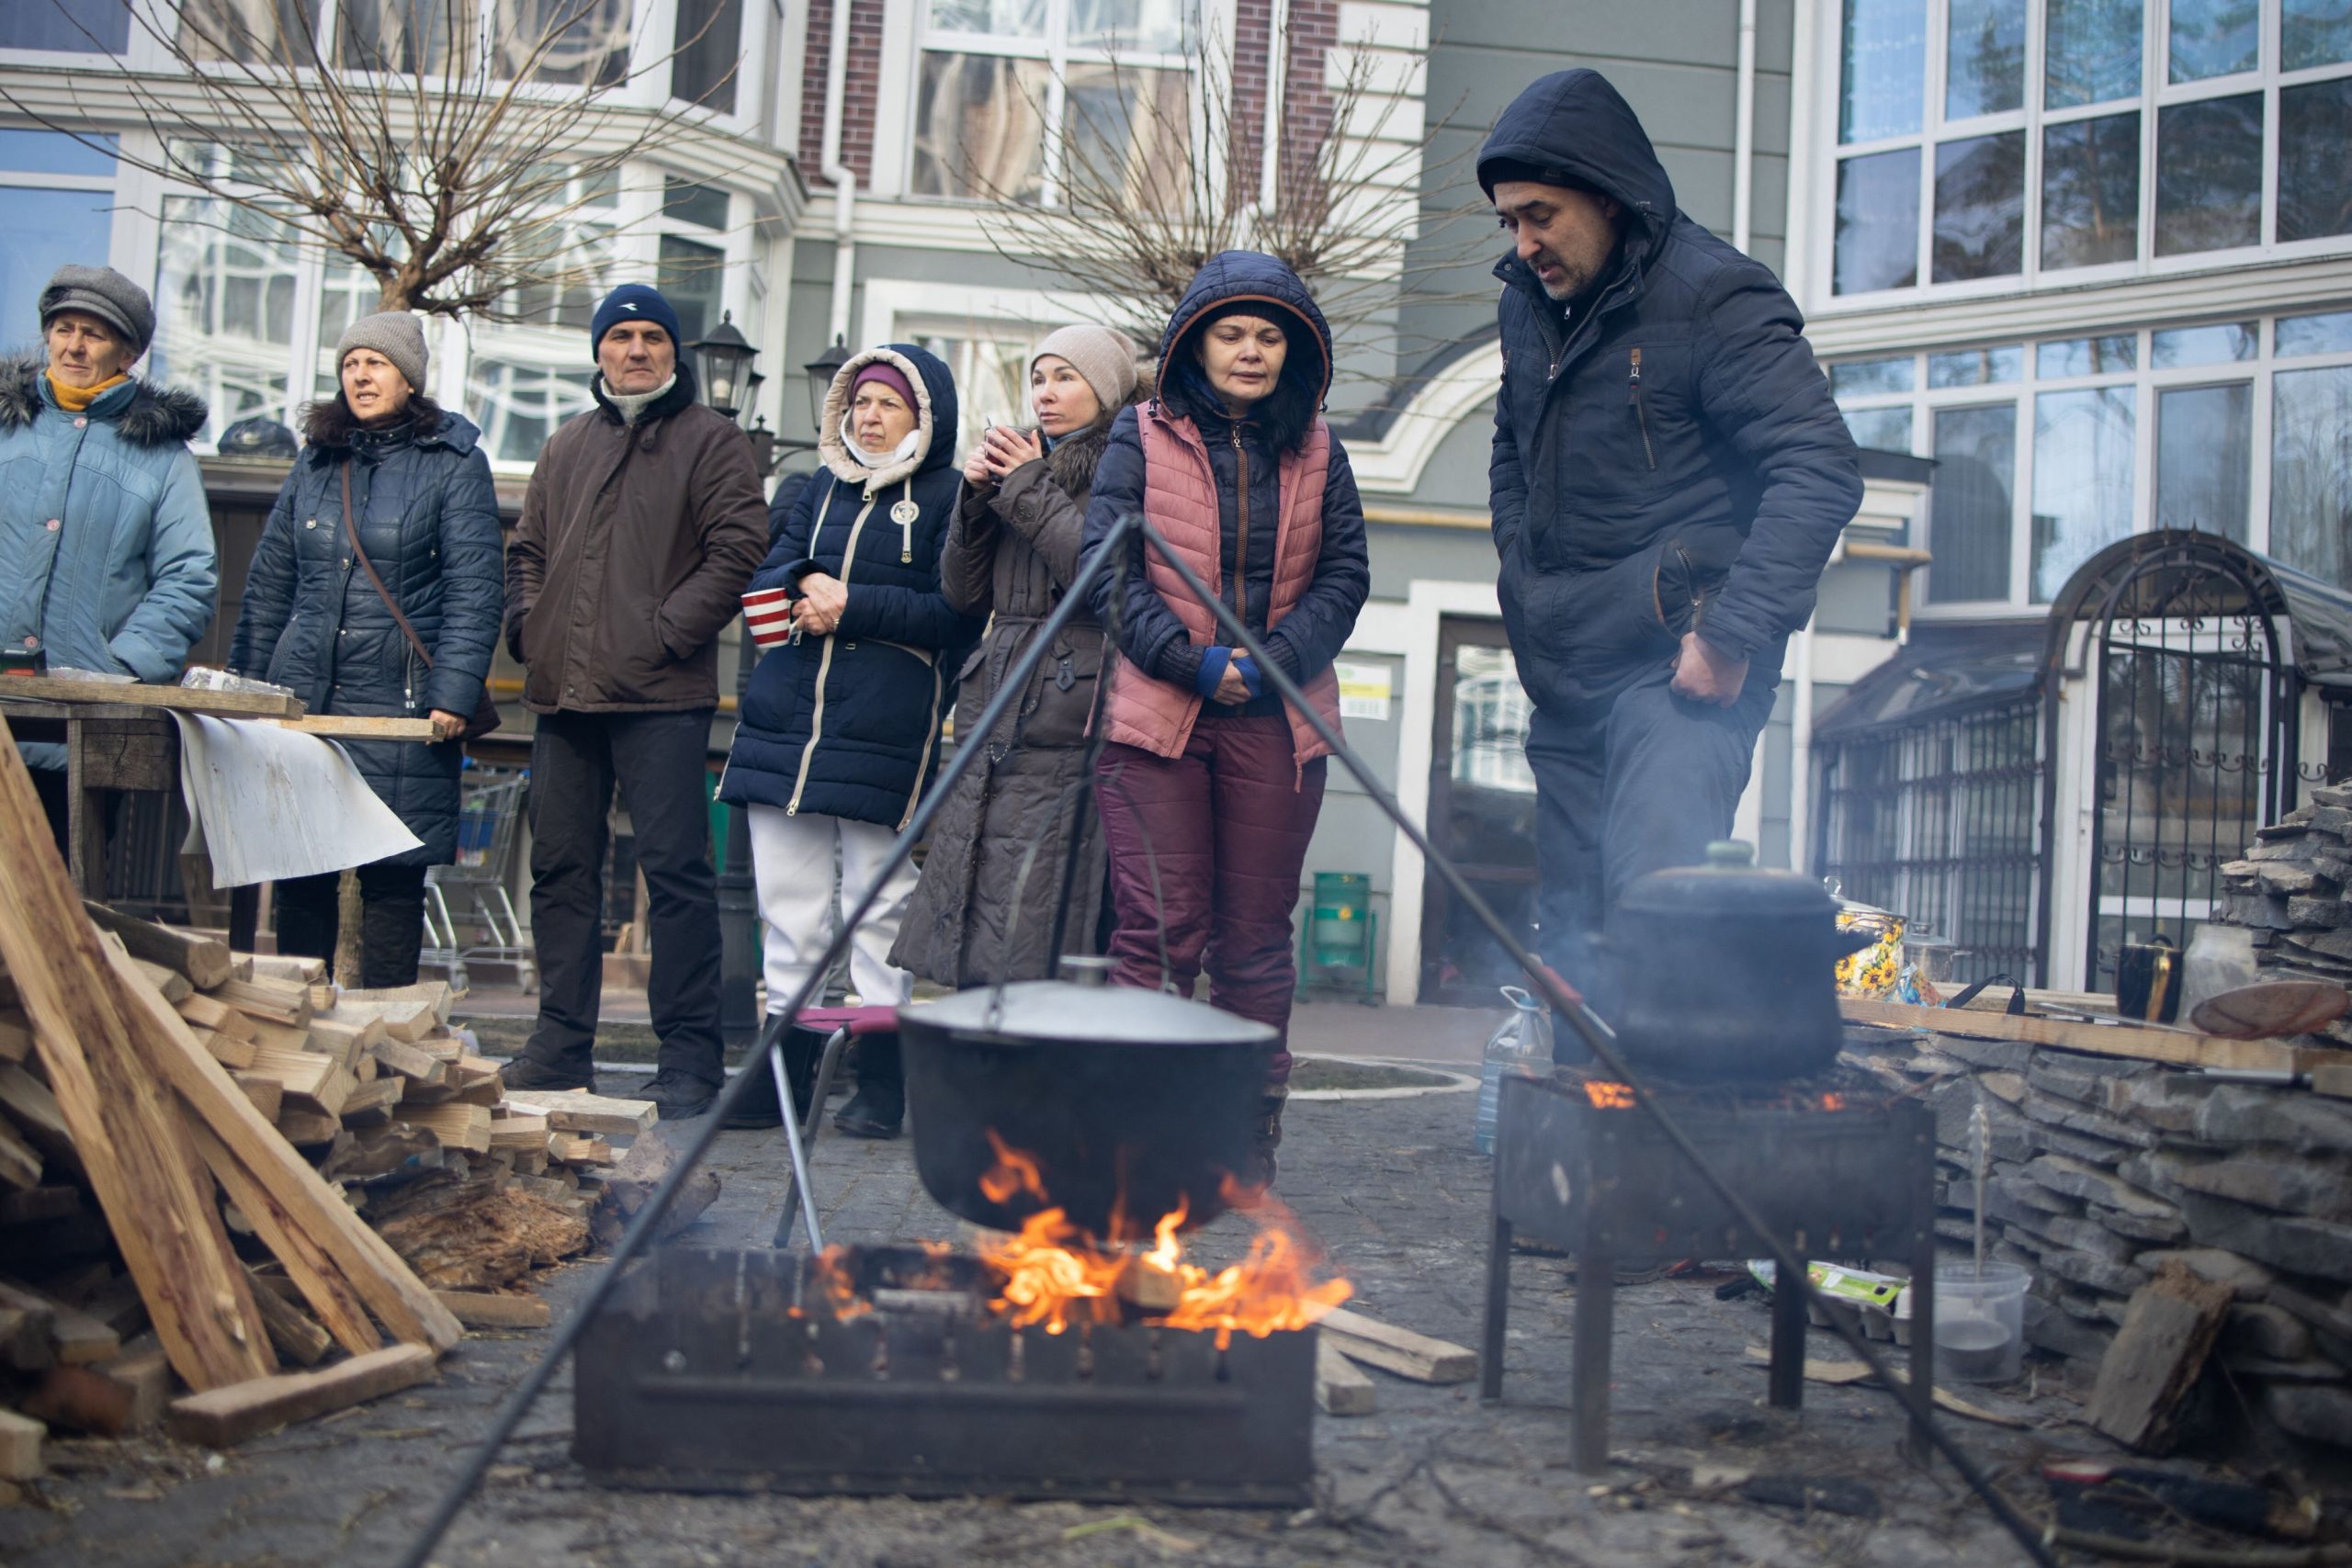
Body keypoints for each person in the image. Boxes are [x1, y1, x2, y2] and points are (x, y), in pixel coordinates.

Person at [1479, 70, 1861, 1015]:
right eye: (1508, 224)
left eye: (1541, 216)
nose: (1524, 245)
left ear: (1607, 196)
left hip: (1682, 668)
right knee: (1573, 941)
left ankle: (1669, 1140)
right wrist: (1522, 574)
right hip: (1567, 667)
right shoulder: (1527, 308)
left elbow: (1818, 468)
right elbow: (1509, 447)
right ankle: (1578, 1145)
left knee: (1653, 915)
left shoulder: (1715, 298)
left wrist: (1730, 634)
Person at [1079, 252, 1371, 1186]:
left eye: (1270, 335)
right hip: (1157, 714)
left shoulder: (1322, 451)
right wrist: (1190, 659)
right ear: (1195, 343)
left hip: (1277, 722)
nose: (1250, 351)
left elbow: (1344, 577)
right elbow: (1107, 566)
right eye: (1232, 332)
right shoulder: (1139, 434)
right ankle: (1144, 1128)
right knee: (1160, 931)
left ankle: (1247, 1130)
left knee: (1252, 936)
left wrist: (1275, 663)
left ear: (1297, 351)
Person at [503, 284, 769, 1120]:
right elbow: (528, 551)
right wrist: (529, 626)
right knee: (561, 870)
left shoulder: (711, 440)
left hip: (661, 694)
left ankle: (689, 1057)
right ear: (599, 352)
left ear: (674, 352)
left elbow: (738, 552)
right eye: (621, 336)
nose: (637, 350)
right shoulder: (565, 444)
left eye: (654, 336)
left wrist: (663, 632)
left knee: (676, 877)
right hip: (563, 695)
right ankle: (559, 1042)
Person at [718, 344, 979, 1138]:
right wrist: (799, 585)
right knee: (790, 911)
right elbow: (770, 573)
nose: (868, 416)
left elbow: (954, 617)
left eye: (888, 404)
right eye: (860, 402)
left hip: (883, 730)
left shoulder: (952, 499)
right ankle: (783, 1080)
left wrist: (853, 604)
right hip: (783, 724)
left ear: (924, 417)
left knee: (877, 908)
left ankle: (878, 1081)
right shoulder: (817, 487)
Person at [229, 312, 503, 986]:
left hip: (404, 707)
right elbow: (270, 583)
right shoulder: (317, 459)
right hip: (307, 701)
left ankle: (387, 1045)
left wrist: (455, 693)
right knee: (301, 876)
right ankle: (302, 1034)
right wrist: (245, 686)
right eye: (351, 363)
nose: (360, 374)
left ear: (409, 378)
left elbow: (476, 587)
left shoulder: (455, 463)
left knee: (391, 880)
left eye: (375, 363)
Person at [888, 323, 1140, 992]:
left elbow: (1100, 576)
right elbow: (964, 594)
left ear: (1105, 388)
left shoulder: (1125, 464)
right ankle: (976, 1052)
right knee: (973, 884)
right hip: (996, 700)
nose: (1045, 393)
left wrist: (1025, 485)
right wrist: (975, 500)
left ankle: (1024, 1064)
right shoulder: (1025, 465)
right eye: (1038, 377)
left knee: (1036, 899)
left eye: (1065, 377)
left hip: (1067, 704)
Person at [2, 265, 216, 846]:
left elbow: (189, 576)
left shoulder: (161, 456)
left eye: (93, 335)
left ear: (127, 354)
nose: (73, 345)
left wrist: (121, 669)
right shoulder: (6, 429)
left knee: (67, 914)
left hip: (81, 725)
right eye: (63, 328)